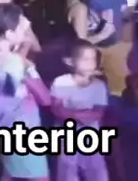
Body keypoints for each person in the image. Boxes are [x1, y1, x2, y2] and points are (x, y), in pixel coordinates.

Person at [0, 3, 51, 181]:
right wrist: (29, 70)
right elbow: (45, 98)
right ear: (9, 34)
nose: (25, 31)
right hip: (24, 131)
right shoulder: (16, 63)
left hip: (2, 127)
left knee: (10, 174)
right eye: (21, 27)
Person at [51, 40, 109, 181]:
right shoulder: (61, 82)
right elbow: (57, 109)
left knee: (97, 173)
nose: (90, 63)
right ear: (70, 61)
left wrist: (71, 114)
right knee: (67, 174)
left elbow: (98, 113)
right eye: (85, 59)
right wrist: (79, 115)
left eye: (93, 59)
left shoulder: (99, 86)